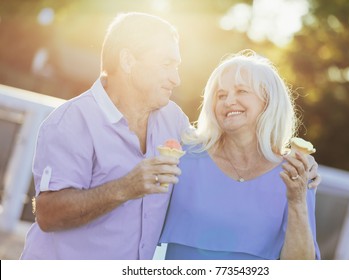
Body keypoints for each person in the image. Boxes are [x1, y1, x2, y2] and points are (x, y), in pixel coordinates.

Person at [20, 13, 320, 260]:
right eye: (167, 64)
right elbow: (47, 214)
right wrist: (126, 187)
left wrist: (303, 167)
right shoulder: (70, 122)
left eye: (177, 66)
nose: (176, 78)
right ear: (128, 61)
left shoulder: (172, 119)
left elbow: (222, 148)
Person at [159, 50, 321, 259]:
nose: (228, 101)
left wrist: (298, 200)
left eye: (241, 91)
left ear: (268, 101)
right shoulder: (186, 156)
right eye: (221, 95)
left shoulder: (295, 173)